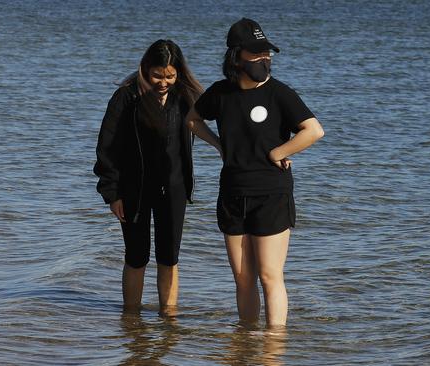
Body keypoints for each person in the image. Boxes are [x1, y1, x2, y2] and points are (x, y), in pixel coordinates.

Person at [185, 18, 324, 326]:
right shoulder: (220, 94)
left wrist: (280, 151)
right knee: (243, 277)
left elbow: (313, 131)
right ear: (236, 57)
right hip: (233, 193)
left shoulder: (279, 94)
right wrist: (219, 145)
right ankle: (246, 342)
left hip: (271, 194)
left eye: (267, 53)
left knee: (270, 275)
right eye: (256, 53)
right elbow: (192, 119)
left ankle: (273, 348)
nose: (264, 59)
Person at [94, 39, 203, 313]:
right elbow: (106, 147)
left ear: (179, 73)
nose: (163, 82)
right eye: (157, 75)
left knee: (169, 257)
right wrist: (112, 193)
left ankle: (169, 318)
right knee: (136, 256)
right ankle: (131, 319)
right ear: (145, 68)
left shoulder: (185, 97)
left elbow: (227, 115)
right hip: (133, 190)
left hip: (174, 188)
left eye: (170, 76)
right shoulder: (126, 97)